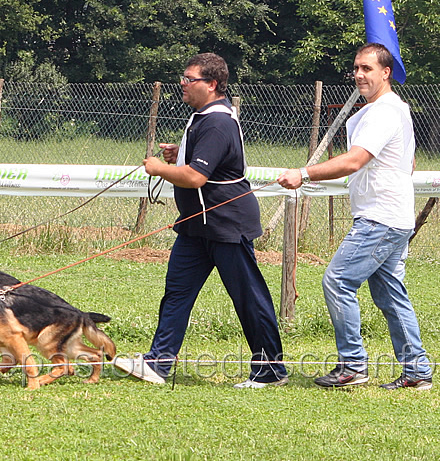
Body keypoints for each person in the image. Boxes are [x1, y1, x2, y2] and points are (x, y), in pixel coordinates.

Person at [113, 53, 288, 388]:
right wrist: (178, 153)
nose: (183, 84)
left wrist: (160, 168)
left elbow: (195, 177)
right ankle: (158, 363)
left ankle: (270, 370)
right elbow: (203, 162)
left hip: (226, 223)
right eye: (183, 77)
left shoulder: (218, 120)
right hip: (197, 224)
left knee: (248, 297)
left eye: (189, 79)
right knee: (177, 292)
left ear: (211, 84)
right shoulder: (203, 117)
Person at [277, 43, 432, 390]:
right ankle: (417, 371)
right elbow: (409, 163)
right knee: (390, 295)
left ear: (386, 72)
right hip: (394, 215)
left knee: (338, 280)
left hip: (380, 218)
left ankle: (352, 366)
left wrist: (303, 173)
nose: (359, 75)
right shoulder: (396, 109)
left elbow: (353, 161)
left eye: (367, 68)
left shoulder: (382, 113)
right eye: (357, 68)